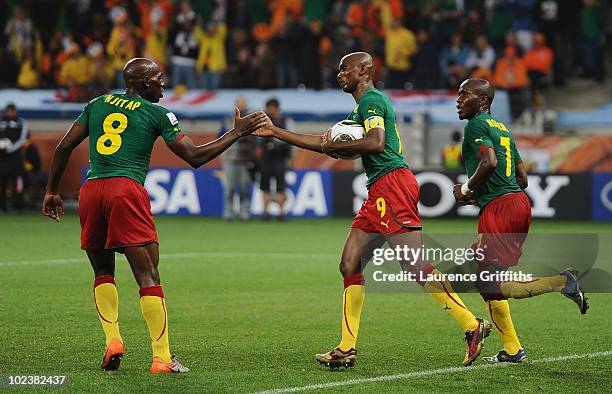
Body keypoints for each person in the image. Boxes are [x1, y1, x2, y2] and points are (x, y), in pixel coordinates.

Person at [256, 52, 491, 368]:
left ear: (363, 70)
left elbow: (376, 143)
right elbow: (323, 141)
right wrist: (276, 132)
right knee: (349, 264)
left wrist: (335, 147)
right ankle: (346, 347)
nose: (339, 74)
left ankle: (471, 324)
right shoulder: (360, 107)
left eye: (345, 69)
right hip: (379, 189)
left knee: (413, 265)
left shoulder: (372, 101)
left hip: (392, 184)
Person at [41, 58, 266, 373]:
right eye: (159, 77)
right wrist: (236, 133)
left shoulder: (96, 104)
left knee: (103, 273)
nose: (164, 82)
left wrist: (51, 191)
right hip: (126, 190)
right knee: (148, 276)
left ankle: (113, 340)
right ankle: (161, 357)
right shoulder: (159, 113)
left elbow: (63, 148)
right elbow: (195, 156)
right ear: (145, 82)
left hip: (91, 190)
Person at [453, 78, 588, 364]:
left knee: (487, 281)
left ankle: (561, 281)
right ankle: (513, 350)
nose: (458, 99)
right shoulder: (502, 128)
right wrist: (481, 197)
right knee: (486, 278)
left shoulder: (476, 125)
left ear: (483, 102)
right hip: (515, 204)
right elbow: (521, 179)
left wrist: (466, 190)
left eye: (465, 94)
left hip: (501, 209)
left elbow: (488, 162)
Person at [222, 96, 256, 221]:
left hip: (245, 159)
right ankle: (228, 211)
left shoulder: (251, 121)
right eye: (240, 103)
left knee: (244, 187)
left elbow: (255, 140)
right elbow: (219, 139)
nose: (242, 106)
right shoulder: (227, 120)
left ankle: (244, 211)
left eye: (244, 103)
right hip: (230, 158)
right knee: (229, 188)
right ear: (235, 105)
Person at [259, 98, 292, 221]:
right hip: (266, 157)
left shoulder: (285, 120)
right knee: (265, 185)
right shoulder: (264, 121)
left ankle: (281, 212)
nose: (271, 110)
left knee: (280, 186)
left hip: (280, 157)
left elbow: (290, 137)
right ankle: (266, 212)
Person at [0, 103, 28, 212]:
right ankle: (3, 206)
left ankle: (18, 205)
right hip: (1, 158)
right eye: (8, 111)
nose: (10, 113)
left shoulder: (21, 123)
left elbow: (22, 139)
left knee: (17, 182)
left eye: (12, 111)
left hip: (16, 158)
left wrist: (11, 148)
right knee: (3, 183)